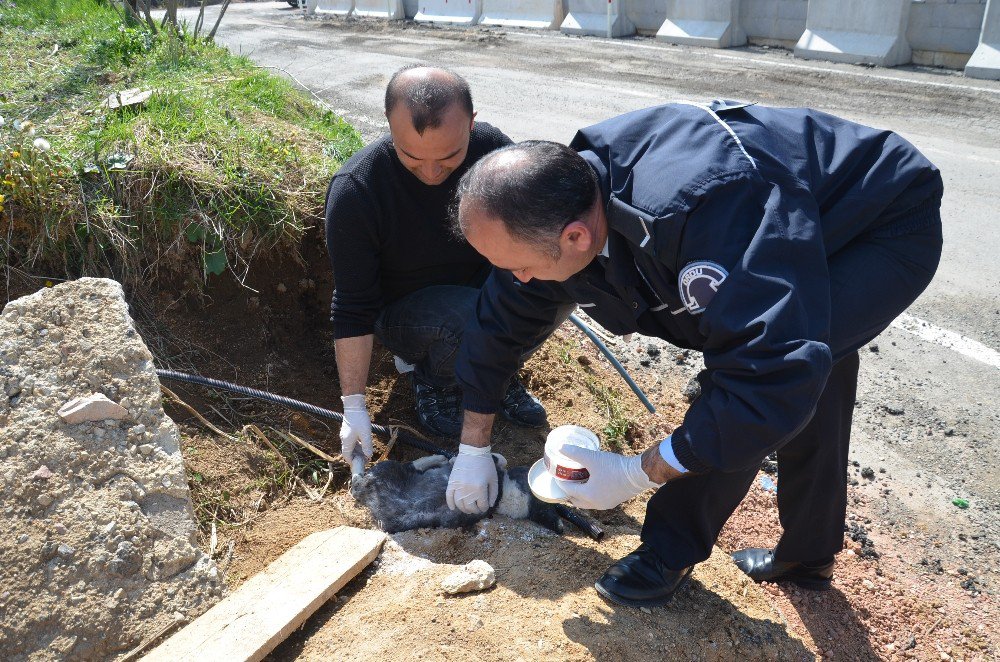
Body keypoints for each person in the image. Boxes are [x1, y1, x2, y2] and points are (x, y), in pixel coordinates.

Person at [446, 101, 943, 607]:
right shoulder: (553, 205)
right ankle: (810, 554)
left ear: (575, 237)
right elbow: (498, 324)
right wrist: (473, 448)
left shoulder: (700, 213)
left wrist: (638, 471)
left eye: (522, 267)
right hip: (788, 213)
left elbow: (761, 376)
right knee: (816, 364)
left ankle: (668, 551)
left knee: (766, 375)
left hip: (872, 224)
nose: (518, 277)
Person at [325, 65, 551, 464]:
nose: (431, 172)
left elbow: (533, 229)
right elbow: (353, 306)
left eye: (449, 157)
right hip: (408, 312)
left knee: (554, 288)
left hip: (479, 284)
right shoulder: (358, 190)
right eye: (411, 157)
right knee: (470, 319)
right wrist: (354, 405)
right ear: (389, 126)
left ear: (472, 124)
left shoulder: (493, 151)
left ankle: (500, 371)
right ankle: (436, 381)